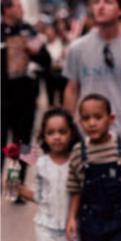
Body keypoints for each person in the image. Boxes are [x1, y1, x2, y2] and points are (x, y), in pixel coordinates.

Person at [66, 94, 121, 241]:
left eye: (98, 117)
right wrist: (71, 218)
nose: (92, 123)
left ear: (110, 118)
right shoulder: (78, 152)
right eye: (86, 118)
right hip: (90, 222)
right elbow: (75, 188)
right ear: (79, 121)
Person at [63, 0, 121, 139]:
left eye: (108, 2)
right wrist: (68, 128)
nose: (101, 7)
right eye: (96, 2)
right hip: (88, 136)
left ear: (120, 10)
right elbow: (71, 90)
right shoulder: (77, 48)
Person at [17, 108, 81, 241]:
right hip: (45, 228)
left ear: (71, 134)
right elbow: (40, 196)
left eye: (62, 131)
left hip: (71, 229)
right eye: (50, 133)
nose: (56, 137)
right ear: (44, 137)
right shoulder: (41, 163)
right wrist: (20, 189)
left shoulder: (76, 161)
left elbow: (80, 192)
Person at [1, 0, 51, 203]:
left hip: (25, 98)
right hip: (2, 99)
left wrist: (35, 53)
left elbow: (46, 61)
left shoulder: (28, 31)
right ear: (6, 9)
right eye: (17, 6)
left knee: (24, 145)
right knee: (3, 141)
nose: (21, 9)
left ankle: (16, 188)